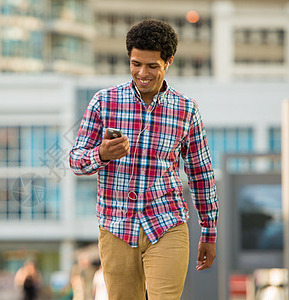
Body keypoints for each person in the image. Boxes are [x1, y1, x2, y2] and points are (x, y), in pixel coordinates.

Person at [69, 19, 218, 300]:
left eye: (152, 66)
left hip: (167, 221)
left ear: (169, 61)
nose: (142, 73)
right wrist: (101, 154)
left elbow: (201, 173)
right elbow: (76, 160)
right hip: (116, 226)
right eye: (136, 63)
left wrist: (209, 231)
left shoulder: (186, 110)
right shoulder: (104, 101)